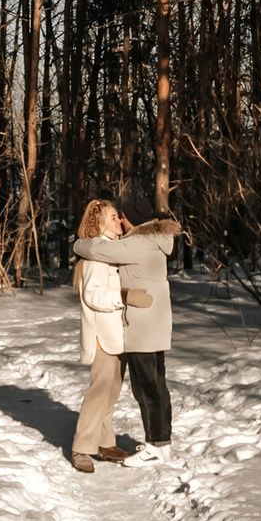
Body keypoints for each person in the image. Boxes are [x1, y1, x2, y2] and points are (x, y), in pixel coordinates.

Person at [73, 198, 180, 466]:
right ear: (98, 223)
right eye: (112, 217)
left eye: (119, 216)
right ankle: (82, 448)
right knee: (102, 391)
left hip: (124, 334)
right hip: (106, 334)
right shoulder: (103, 256)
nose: (119, 221)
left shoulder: (121, 248)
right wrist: (124, 295)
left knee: (113, 392)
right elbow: (93, 295)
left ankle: (105, 442)